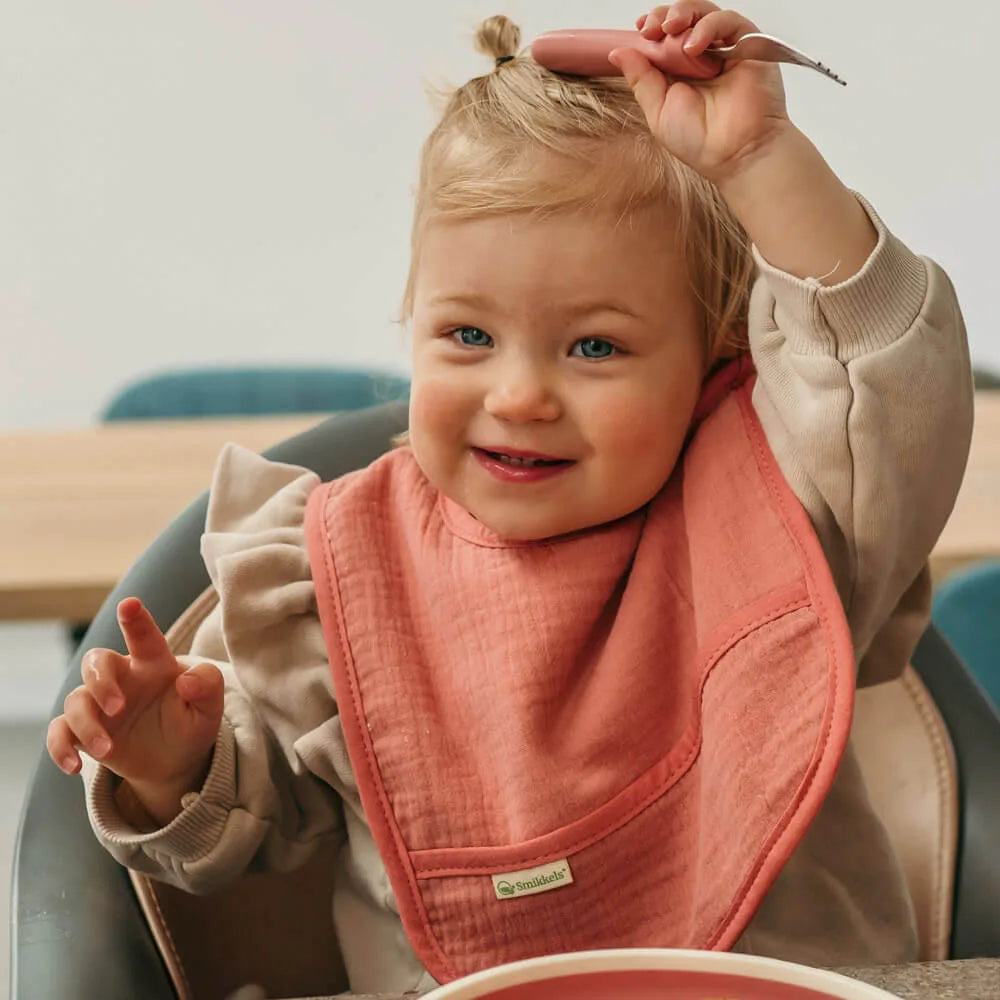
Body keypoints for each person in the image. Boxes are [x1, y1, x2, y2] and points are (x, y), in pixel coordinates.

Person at [46, 3, 973, 993]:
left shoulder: (786, 498)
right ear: (411, 321)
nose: (520, 395)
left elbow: (884, 380)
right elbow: (254, 823)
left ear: (717, 351)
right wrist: (171, 763)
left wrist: (756, 158)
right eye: (468, 337)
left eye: (595, 347)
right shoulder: (332, 573)